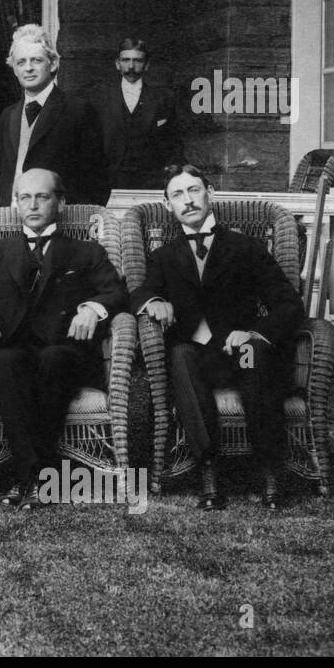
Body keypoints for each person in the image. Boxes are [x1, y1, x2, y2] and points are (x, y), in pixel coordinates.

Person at [0, 168, 126, 508]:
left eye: (42, 196)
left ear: (61, 201)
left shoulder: (87, 252)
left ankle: (27, 476)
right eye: (24, 197)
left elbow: (116, 293)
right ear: (15, 203)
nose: (33, 204)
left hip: (64, 353)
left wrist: (92, 308)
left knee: (53, 359)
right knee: (5, 361)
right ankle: (38, 474)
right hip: (10, 351)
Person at [130, 165, 304, 511]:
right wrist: (155, 301)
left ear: (210, 193)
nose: (188, 200)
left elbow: (288, 303)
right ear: (167, 206)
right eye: (177, 195)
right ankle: (208, 470)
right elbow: (139, 292)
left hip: (239, 352)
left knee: (254, 355)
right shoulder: (163, 257)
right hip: (197, 357)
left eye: (194, 190)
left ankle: (268, 470)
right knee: (179, 354)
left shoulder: (245, 247)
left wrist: (254, 333)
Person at [0, 24, 110, 208]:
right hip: (12, 223)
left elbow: (98, 180)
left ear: (53, 64)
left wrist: (79, 225)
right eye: (21, 62)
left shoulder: (77, 111)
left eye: (36, 60)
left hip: (63, 226)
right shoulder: (8, 116)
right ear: (14, 69)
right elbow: (6, 176)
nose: (29, 68)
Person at [98, 38, 183, 190]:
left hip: (151, 182)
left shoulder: (163, 99)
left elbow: (174, 143)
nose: (131, 66)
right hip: (110, 181)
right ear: (117, 64)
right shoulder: (101, 98)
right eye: (126, 60)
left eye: (137, 61)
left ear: (147, 65)